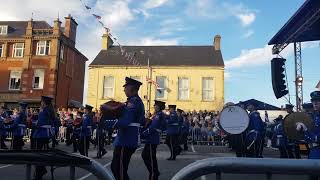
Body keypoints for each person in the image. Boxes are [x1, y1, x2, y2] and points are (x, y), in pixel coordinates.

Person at [108, 77, 145, 180]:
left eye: (126, 87)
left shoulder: (134, 102)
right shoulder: (131, 102)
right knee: (118, 168)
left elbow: (126, 120)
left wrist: (108, 123)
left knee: (118, 169)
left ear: (132, 89)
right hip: (125, 138)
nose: (124, 90)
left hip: (127, 139)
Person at [141, 100, 166, 180]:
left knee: (150, 158)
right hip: (151, 138)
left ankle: (153, 173)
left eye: (155, 105)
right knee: (146, 156)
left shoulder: (158, 115)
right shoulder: (157, 115)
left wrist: (144, 133)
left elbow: (153, 127)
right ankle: (154, 171)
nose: (154, 106)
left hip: (153, 138)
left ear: (159, 107)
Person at [33, 96, 56, 180]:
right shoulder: (50, 111)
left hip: (40, 135)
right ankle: (41, 170)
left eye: (41, 102)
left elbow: (39, 123)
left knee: (38, 155)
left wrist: (33, 124)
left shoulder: (43, 112)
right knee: (43, 153)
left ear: (44, 103)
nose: (41, 103)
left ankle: (39, 173)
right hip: (46, 135)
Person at [296, 91, 320, 159]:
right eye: (313, 101)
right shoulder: (316, 117)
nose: (315, 103)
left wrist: (305, 130)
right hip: (312, 150)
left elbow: (317, 138)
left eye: (318, 100)